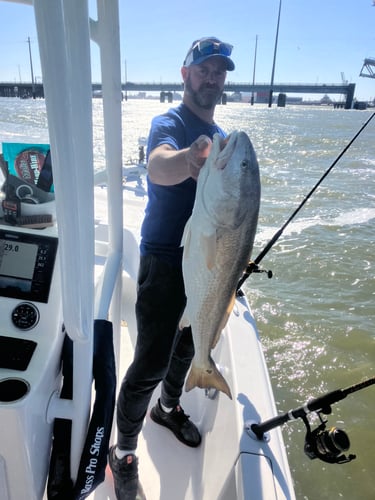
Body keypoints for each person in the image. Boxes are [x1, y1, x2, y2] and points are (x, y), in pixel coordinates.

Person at [109, 36, 235, 499]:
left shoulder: (221, 139)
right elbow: (158, 165)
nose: (212, 77)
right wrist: (189, 159)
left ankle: (168, 407)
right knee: (150, 361)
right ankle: (122, 453)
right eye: (204, 69)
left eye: (220, 71)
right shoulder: (171, 122)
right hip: (165, 258)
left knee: (187, 346)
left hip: (205, 263)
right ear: (186, 74)